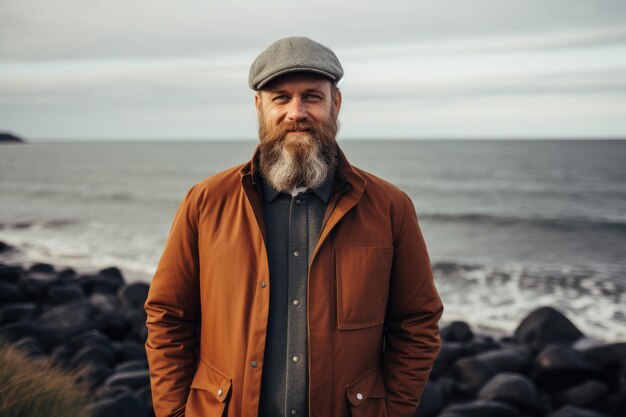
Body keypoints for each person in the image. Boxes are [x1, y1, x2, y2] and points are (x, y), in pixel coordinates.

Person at [145, 36, 444, 417]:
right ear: (259, 107)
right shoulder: (205, 202)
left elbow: (417, 323)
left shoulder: (390, 207)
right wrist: (173, 413)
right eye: (281, 98)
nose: (296, 112)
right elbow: (168, 317)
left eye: (312, 97)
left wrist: (392, 411)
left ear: (337, 103)